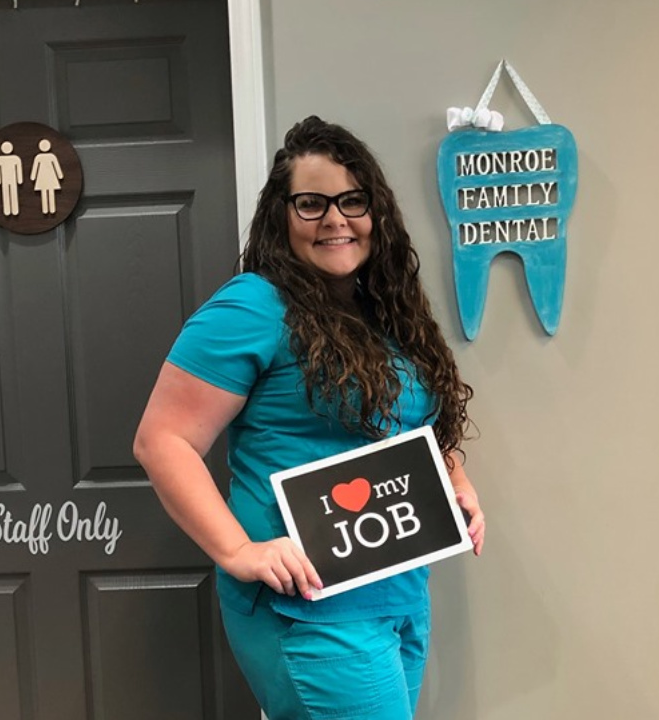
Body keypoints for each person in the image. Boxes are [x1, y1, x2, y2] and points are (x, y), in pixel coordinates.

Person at [133, 116, 484, 720]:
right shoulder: (253, 306)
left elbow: (414, 423)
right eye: (312, 203)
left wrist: (456, 479)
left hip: (399, 593)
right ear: (282, 215)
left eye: (352, 201)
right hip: (306, 605)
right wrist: (238, 550)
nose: (334, 219)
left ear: (376, 212)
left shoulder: (387, 313)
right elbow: (161, 440)